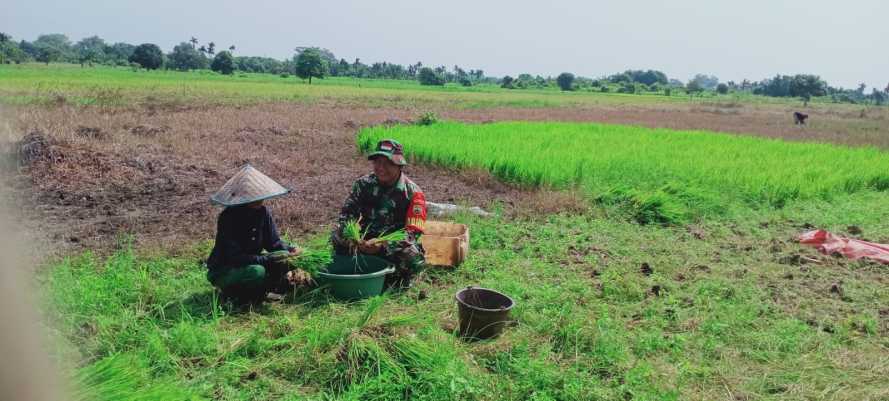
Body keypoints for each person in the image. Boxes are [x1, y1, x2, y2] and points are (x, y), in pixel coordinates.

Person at [331, 139, 427, 288]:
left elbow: (412, 233)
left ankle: (395, 278)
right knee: (337, 235)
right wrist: (354, 236)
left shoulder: (413, 193)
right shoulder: (363, 184)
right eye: (377, 162)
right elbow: (346, 214)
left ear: (399, 165)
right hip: (362, 241)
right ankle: (354, 266)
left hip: (390, 246)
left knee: (412, 256)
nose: (381, 168)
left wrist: (383, 244)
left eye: (388, 163)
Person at [206, 164, 308, 304]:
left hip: (251, 261)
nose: (260, 200)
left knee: (284, 258)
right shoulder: (228, 218)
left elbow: (273, 243)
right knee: (257, 272)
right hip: (227, 268)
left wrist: (291, 250)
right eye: (254, 197)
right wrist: (267, 260)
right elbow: (235, 257)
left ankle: (261, 292)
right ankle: (232, 294)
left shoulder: (262, 212)